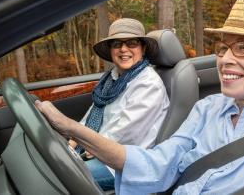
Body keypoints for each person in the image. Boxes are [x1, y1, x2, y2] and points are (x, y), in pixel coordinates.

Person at [36, 0, 244, 194]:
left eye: (242, 47)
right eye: (223, 48)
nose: (225, 58)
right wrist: (71, 128)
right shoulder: (208, 108)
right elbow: (157, 164)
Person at [68, 18, 170, 191]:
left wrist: (83, 146)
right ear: (111, 50)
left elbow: (124, 131)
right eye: (117, 44)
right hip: (99, 150)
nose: (124, 49)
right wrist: (72, 140)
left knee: (61, 175)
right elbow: (93, 114)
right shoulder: (112, 78)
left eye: (132, 43)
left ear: (143, 48)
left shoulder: (148, 84)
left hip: (123, 163)